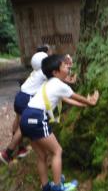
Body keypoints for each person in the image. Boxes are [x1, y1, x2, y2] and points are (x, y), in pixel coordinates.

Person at [19, 54, 99, 191]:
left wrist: (84, 105)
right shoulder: (59, 85)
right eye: (64, 65)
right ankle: (57, 187)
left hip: (26, 117)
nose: (67, 67)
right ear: (55, 72)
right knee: (57, 151)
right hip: (37, 118)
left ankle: (46, 187)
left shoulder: (49, 84)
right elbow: (76, 96)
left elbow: (67, 99)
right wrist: (91, 102)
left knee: (42, 155)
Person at [0, 52, 48, 165]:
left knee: (17, 121)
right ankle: (7, 153)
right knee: (23, 127)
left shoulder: (35, 72)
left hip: (20, 95)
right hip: (27, 99)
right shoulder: (44, 73)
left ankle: (20, 149)